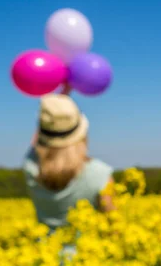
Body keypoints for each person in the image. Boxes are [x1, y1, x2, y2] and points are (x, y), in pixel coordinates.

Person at [23, 87, 115, 233]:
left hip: (42, 252)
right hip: (88, 254)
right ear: (83, 135)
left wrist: (55, 108)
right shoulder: (100, 174)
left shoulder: (32, 168)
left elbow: (37, 141)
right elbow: (114, 226)